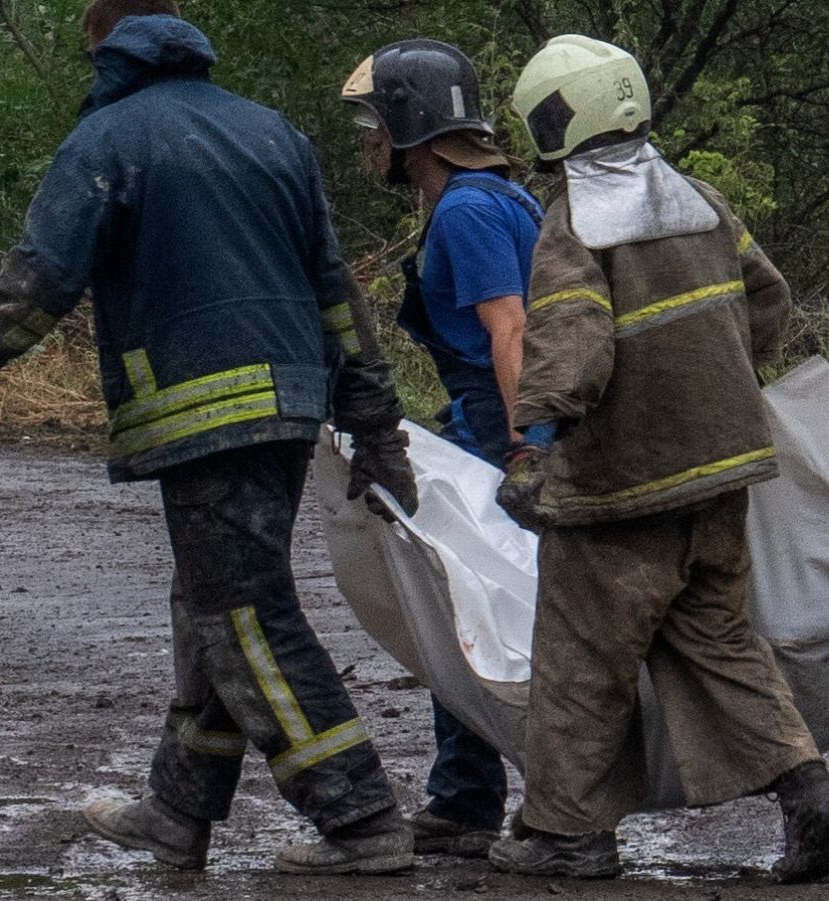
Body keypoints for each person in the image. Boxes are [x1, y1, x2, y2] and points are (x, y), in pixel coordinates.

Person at [0, 0, 422, 875]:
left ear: (102, 44)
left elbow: (36, 285)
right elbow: (339, 294)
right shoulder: (273, 135)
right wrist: (375, 426)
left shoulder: (107, 141)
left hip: (202, 418)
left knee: (243, 615)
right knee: (210, 604)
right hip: (289, 410)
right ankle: (178, 810)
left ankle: (361, 814)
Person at [486, 34, 829, 883]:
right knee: (717, 638)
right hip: (723, 473)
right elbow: (770, 304)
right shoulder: (702, 199)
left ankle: (567, 833)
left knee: (584, 656)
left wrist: (533, 445)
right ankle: (809, 788)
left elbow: (573, 343)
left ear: (556, 121)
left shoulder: (577, 220)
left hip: (620, 488)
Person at [339, 39, 544, 858]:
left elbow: (511, 327)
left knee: (469, 609)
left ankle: (471, 801)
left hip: (501, 429)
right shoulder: (502, 197)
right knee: (469, 601)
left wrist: (523, 445)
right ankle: (467, 796)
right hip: (487, 418)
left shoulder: (464, 210)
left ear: (408, 125)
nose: (368, 144)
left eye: (373, 126)